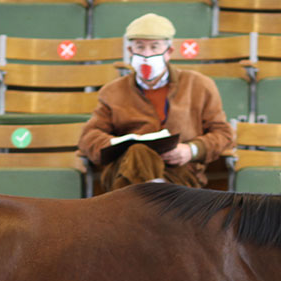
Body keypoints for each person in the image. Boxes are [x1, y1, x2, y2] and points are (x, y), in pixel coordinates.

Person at [77, 13, 235, 191]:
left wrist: (191, 150)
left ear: (168, 52)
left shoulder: (199, 85)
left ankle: (139, 206)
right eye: (140, 47)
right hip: (123, 169)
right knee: (138, 152)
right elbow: (89, 137)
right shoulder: (112, 91)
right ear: (130, 52)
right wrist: (118, 145)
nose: (146, 54)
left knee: (137, 173)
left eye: (154, 47)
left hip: (179, 173)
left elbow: (223, 134)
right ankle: (155, 200)